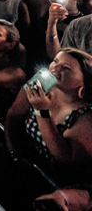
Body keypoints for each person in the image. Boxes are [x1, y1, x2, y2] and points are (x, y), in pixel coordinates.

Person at [6, 49, 92, 181]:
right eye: (55, 61)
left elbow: (64, 159)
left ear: (83, 85)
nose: (56, 68)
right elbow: (14, 115)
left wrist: (42, 111)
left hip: (54, 182)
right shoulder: (42, 81)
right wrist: (13, 152)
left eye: (66, 68)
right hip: (22, 168)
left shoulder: (85, 116)